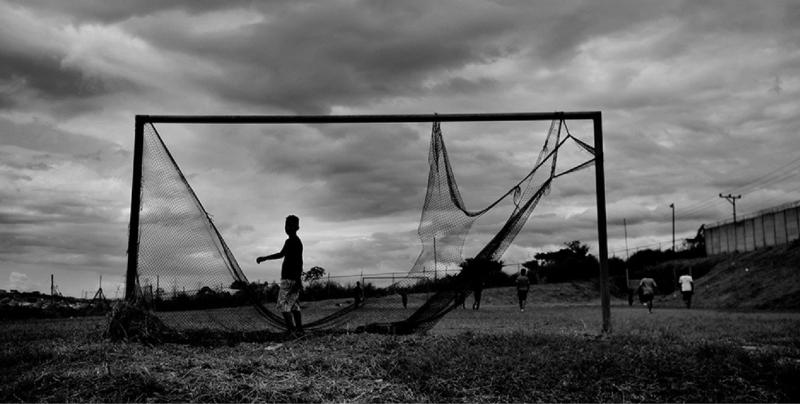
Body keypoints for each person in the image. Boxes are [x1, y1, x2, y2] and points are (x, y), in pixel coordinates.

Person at [256, 215, 304, 335]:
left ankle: (291, 330)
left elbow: (285, 256)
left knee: (282, 304)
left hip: (288, 278)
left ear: (297, 227)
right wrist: (298, 279)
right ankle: (299, 329)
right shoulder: (296, 241)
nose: (288, 228)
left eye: (290, 226)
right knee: (294, 304)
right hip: (294, 278)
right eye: (286, 226)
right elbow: (293, 259)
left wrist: (264, 258)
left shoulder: (292, 241)